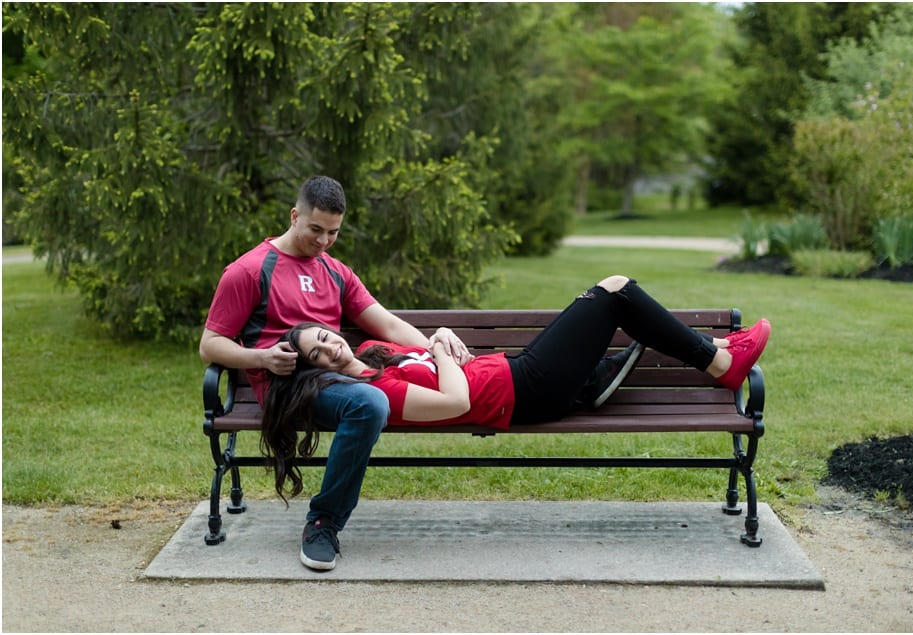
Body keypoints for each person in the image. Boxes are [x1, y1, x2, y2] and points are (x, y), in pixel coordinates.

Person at [260, 274, 770, 506]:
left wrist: (441, 340)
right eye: (316, 356)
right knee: (615, 292)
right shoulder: (379, 395)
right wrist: (440, 347)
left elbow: (441, 353)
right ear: (314, 372)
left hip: (518, 371)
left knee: (614, 300)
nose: (329, 349)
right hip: (525, 392)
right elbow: (456, 402)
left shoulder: (376, 350)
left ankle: (597, 381)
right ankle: (722, 361)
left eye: (325, 338)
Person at [198, 175, 477, 572]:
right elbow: (210, 344)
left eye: (333, 233)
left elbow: (388, 325)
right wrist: (261, 359)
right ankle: (322, 522)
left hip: (334, 378)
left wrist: (433, 346)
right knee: (369, 402)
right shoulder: (248, 270)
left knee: (372, 397)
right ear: (295, 216)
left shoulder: (335, 271)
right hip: (284, 384)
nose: (324, 241)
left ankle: (325, 518)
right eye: (315, 229)